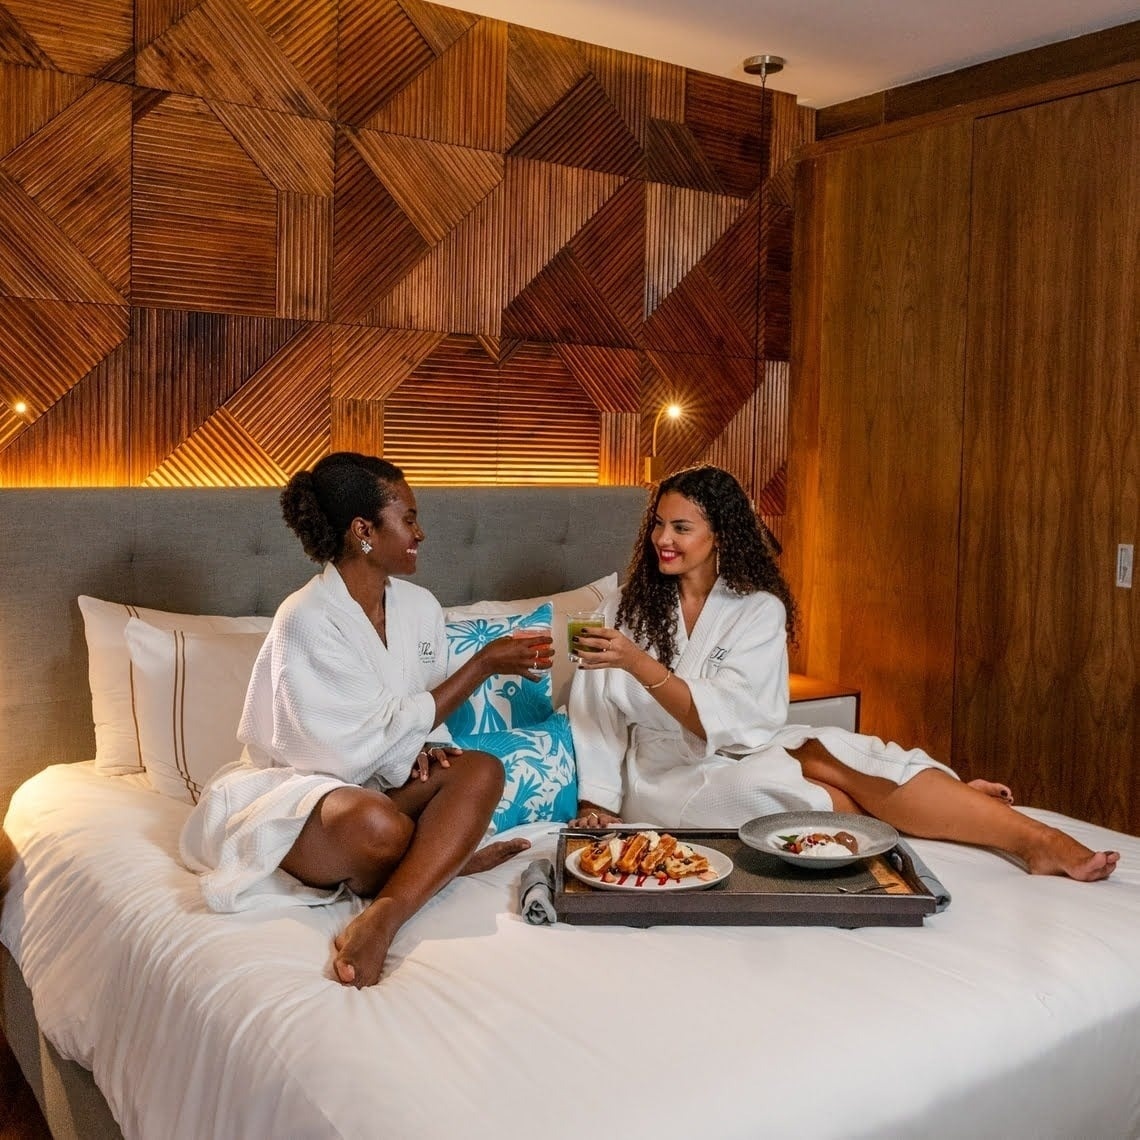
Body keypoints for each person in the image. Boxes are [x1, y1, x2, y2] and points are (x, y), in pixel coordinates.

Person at [567, 465, 1119, 882]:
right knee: (780, 787)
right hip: (667, 778)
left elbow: (746, 717)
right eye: (659, 524)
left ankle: (1032, 839)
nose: (664, 539)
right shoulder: (624, 610)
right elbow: (595, 718)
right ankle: (954, 809)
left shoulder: (757, 607)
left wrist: (638, 664)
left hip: (745, 743)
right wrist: (598, 802)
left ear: (721, 535)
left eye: (681, 527)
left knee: (841, 750)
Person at [180, 452, 554, 988]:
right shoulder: (305, 617)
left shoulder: (421, 607)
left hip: (385, 781)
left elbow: (413, 714)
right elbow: (333, 750)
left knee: (482, 771)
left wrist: (428, 747)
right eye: (408, 518)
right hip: (312, 792)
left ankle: (386, 912)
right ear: (364, 531)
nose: (419, 533)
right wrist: (481, 666)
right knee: (375, 824)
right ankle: (440, 865)